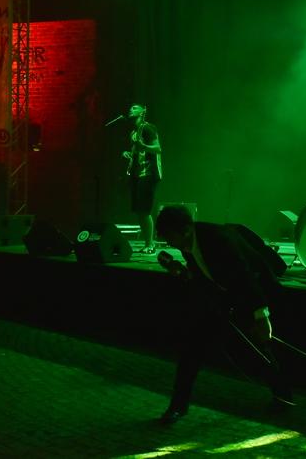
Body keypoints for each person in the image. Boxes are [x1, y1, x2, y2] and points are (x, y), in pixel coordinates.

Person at [154, 205, 293, 425]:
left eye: (170, 237)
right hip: (224, 294)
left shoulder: (218, 239)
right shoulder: (187, 242)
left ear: (185, 230)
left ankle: (283, 396)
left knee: (258, 347)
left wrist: (261, 316)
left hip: (253, 290)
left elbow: (245, 276)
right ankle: (178, 406)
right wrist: (185, 274)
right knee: (192, 348)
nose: (169, 243)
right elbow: (206, 273)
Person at [121, 103, 162, 254]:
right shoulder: (133, 132)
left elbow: (158, 148)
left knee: (144, 210)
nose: (130, 109)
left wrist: (144, 146)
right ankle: (148, 242)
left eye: (134, 108)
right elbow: (136, 152)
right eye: (130, 108)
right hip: (137, 175)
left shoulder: (148, 128)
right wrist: (128, 154)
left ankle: (150, 244)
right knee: (139, 211)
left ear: (142, 112)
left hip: (148, 173)